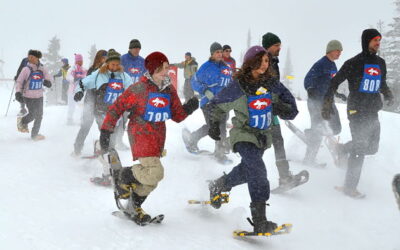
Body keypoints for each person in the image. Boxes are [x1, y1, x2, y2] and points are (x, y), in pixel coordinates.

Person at [99, 51, 199, 224]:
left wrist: (189, 107)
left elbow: (177, 116)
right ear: (153, 69)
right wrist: (106, 130)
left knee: (152, 180)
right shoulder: (139, 88)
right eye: (163, 68)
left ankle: (133, 205)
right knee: (155, 172)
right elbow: (117, 107)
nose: (166, 72)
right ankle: (122, 176)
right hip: (140, 133)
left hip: (158, 136)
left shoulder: (169, 89)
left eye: (167, 68)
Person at [206, 46, 298, 234]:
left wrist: (280, 108)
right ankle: (260, 220)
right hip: (243, 135)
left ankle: (220, 184)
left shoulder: (272, 85)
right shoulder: (238, 86)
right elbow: (215, 105)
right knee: (258, 170)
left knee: (248, 171)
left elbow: (292, 107)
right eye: (261, 60)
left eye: (266, 61)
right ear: (251, 62)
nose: (265, 64)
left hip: (262, 137)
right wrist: (215, 125)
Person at [321, 29, 394, 198]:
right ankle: (349, 186)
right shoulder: (353, 62)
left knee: (372, 148)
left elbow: (381, 83)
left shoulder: (381, 63)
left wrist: (388, 94)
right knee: (360, 147)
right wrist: (326, 103)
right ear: (366, 41)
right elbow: (334, 83)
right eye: (375, 40)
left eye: (379, 40)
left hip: (372, 110)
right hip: (356, 110)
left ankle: (341, 148)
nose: (378, 43)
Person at [74, 49, 133, 184]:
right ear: (107, 64)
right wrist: (79, 92)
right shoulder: (98, 74)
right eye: (112, 64)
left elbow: (132, 91)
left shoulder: (124, 76)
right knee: (108, 146)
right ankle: (107, 174)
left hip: (116, 114)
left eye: (116, 64)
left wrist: (133, 105)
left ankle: (100, 148)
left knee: (112, 144)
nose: (114, 67)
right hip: (101, 113)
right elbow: (83, 82)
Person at [262, 32, 303, 186]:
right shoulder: (262, 61)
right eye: (276, 45)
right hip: (260, 110)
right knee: (257, 144)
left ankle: (284, 177)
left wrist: (280, 103)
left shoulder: (274, 62)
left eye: (280, 45)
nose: (280, 48)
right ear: (268, 47)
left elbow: (275, 87)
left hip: (271, 110)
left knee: (278, 141)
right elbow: (259, 86)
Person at [183, 42, 233, 163]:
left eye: (221, 52)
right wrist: (205, 90)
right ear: (212, 54)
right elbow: (194, 82)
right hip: (208, 103)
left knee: (221, 127)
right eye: (217, 52)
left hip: (223, 103)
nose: (220, 54)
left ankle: (220, 153)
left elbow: (230, 84)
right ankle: (192, 139)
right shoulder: (205, 67)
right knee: (212, 126)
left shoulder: (226, 68)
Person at [303, 40, 345, 166]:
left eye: (340, 51)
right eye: (338, 50)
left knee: (336, 127)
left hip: (328, 102)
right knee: (318, 128)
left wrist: (337, 94)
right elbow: (307, 79)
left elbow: (332, 84)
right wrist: (311, 90)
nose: (339, 53)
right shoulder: (320, 64)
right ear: (330, 50)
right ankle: (309, 159)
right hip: (316, 102)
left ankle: (312, 133)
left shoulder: (333, 66)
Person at [72, 50, 107, 156]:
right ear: (98, 57)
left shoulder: (108, 71)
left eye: (106, 57)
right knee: (85, 126)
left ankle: (104, 149)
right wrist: (80, 92)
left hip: (102, 103)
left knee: (103, 127)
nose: (105, 59)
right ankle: (77, 149)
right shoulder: (92, 70)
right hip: (91, 101)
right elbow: (86, 83)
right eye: (103, 56)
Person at [15, 49, 52, 141]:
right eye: (29, 56)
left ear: (37, 58)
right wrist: (18, 92)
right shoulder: (26, 69)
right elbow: (19, 82)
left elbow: (48, 77)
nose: (29, 58)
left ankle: (34, 135)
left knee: (39, 115)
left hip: (39, 95)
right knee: (33, 114)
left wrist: (48, 82)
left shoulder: (42, 68)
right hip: (28, 96)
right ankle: (23, 121)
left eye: (32, 57)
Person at [66, 54, 87, 125]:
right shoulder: (72, 69)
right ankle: (69, 119)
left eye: (81, 61)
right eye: (79, 61)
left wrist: (82, 78)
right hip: (72, 90)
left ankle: (82, 119)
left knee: (82, 105)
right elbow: (68, 76)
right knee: (71, 106)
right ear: (76, 61)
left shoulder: (84, 69)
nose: (80, 62)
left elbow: (87, 77)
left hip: (81, 90)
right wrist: (73, 78)